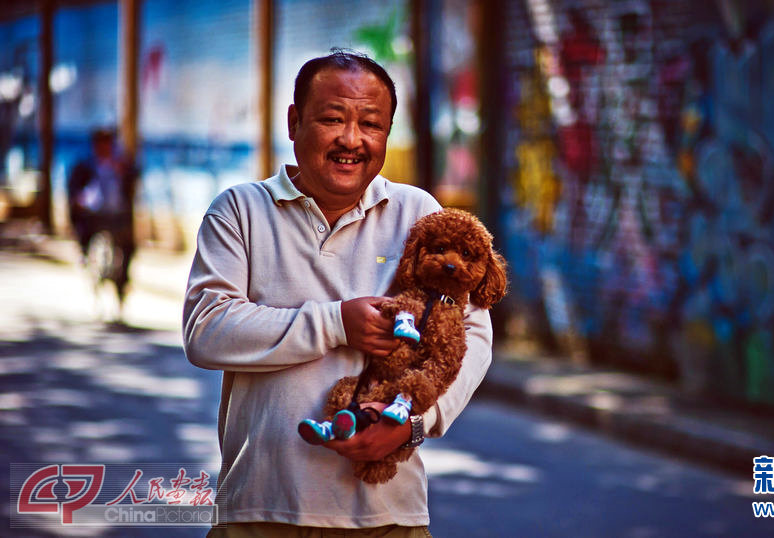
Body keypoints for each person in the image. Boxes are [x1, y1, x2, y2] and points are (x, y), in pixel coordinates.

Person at [183, 49, 494, 537]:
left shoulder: (417, 212)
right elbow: (206, 331)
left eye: (371, 124)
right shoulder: (240, 211)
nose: (351, 140)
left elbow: (471, 334)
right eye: (332, 118)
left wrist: (414, 423)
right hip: (261, 509)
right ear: (294, 121)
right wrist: (334, 324)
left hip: (387, 516)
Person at [66, 128, 138, 307]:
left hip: (117, 216)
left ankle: (122, 285)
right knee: (86, 235)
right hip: (93, 216)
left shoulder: (120, 164)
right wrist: (78, 201)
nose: (104, 147)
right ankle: (84, 255)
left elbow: (134, 180)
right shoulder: (85, 166)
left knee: (128, 247)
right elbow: (74, 190)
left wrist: (123, 172)